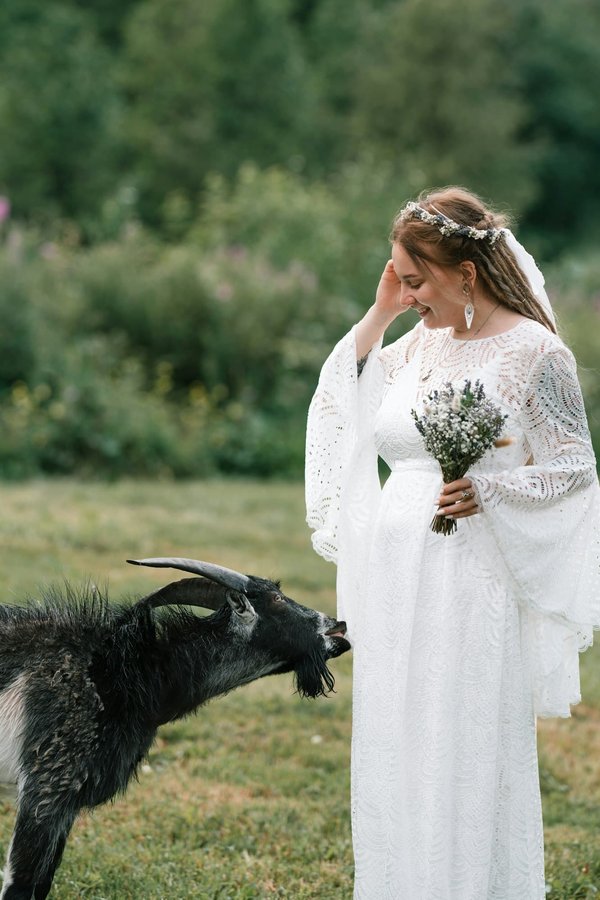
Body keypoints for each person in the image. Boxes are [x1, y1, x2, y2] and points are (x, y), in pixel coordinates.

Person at [305, 187, 600, 899]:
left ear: (465, 274)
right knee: (398, 735)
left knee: (459, 736)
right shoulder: (421, 343)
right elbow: (346, 392)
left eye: (417, 281)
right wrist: (383, 310)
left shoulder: (536, 352)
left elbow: (575, 466)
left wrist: (493, 491)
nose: (410, 295)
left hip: (471, 572)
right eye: (401, 280)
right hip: (396, 567)